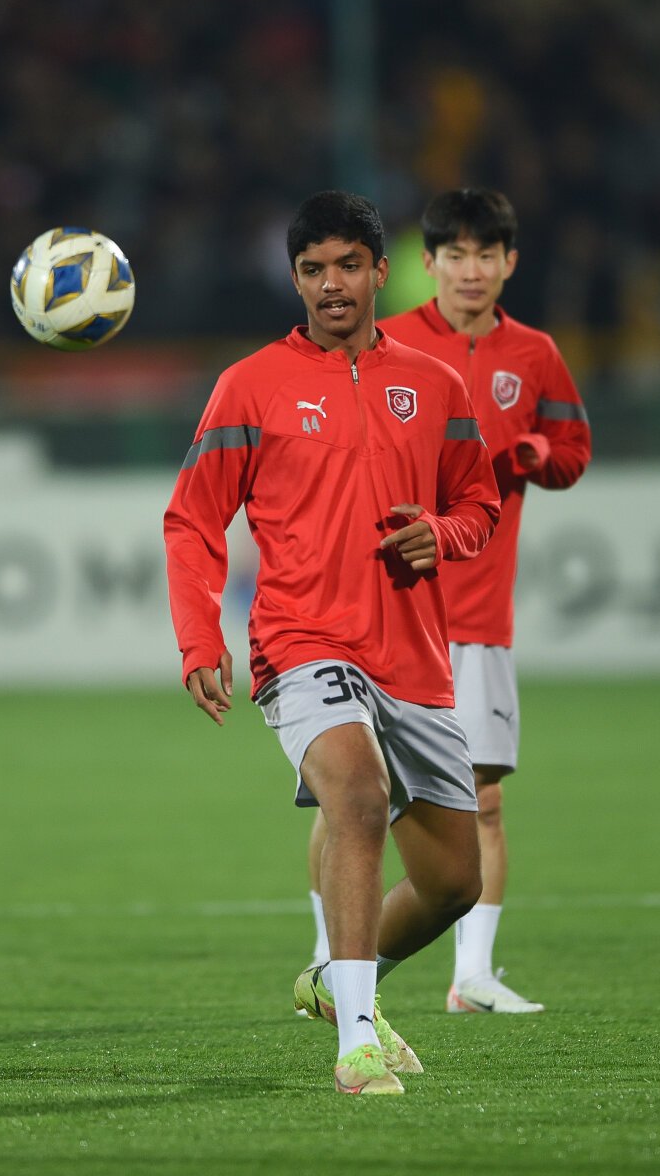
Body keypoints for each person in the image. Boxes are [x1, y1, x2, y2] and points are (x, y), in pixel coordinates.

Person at [164, 190, 501, 1094]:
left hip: (415, 659)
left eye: (348, 265)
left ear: (381, 270)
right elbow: (192, 519)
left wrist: (443, 533)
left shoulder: (436, 384)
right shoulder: (251, 384)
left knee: (455, 883)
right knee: (355, 795)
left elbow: (480, 502)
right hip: (302, 643)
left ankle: (336, 980)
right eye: (313, 269)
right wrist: (199, 637)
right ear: (295, 279)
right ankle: (356, 1041)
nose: (332, 285)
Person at [305, 188, 592, 1013]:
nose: (472, 270)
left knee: (484, 798)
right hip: (387, 608)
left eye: (487, 254)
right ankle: (330, 957)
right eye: (456, 255)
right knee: (351, 793)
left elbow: (574, 449)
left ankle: (472, 976)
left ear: (509, 262)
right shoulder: (387, 347)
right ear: (427, 264)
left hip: (479, 612)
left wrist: (534, 452)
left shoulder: (535, 355)